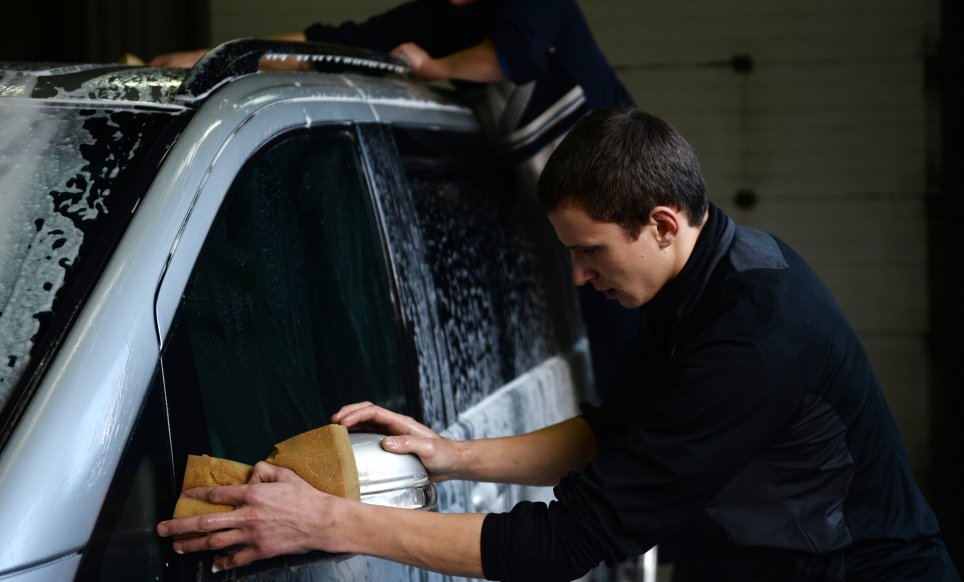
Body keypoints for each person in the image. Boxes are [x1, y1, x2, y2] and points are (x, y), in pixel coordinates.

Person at [159, 107, 964, 582]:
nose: (582, 279)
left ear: (662, 223)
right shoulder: (703, 279)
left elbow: (567, 544)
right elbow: (615, 429)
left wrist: (333, 520)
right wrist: (451, 458)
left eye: (591, 252)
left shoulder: (753, 341)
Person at [153, 0, 640, 398]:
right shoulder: (438, 18)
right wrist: (214, 55)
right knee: (611, 352)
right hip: (570, 229)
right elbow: (335, 43)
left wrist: (435, 67)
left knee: (640, 346)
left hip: (622, 193)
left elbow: (517, 54)